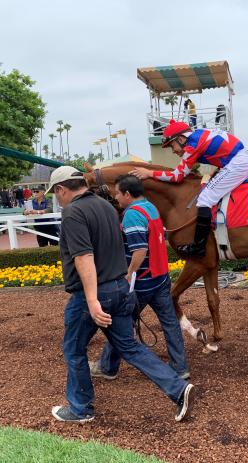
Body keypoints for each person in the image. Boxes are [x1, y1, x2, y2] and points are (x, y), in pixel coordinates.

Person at [45, 166, 194, 423]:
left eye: (55, 194)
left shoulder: (73, 213)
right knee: (129, 346)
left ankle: (80, 410)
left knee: (73, 349)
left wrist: (91, 300)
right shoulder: (107, 206)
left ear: (61, 189)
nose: (57, 199)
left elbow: (83, 257)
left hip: (93, 294)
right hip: (120, 288)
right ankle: (178, 388)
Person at [90, 174, 189, 381]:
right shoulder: (150, 207)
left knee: (120, 325)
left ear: (127, 194)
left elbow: (139, 250)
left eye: (117, 193)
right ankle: (180, 367)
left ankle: (108, 367)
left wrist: (128, 274)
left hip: (142, 280)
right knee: (169, 322)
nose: (116, 197)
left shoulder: (132, 214)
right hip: (160, 276)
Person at [129, 120, 248, 257]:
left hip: (237, 164)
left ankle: (199, 247)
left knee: (204, 199)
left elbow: (177, 176)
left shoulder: (192, 145)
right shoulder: (198, 135)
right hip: (237, 161)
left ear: (181, 139)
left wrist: (149, 173)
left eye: (172, 146)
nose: (174, 151)